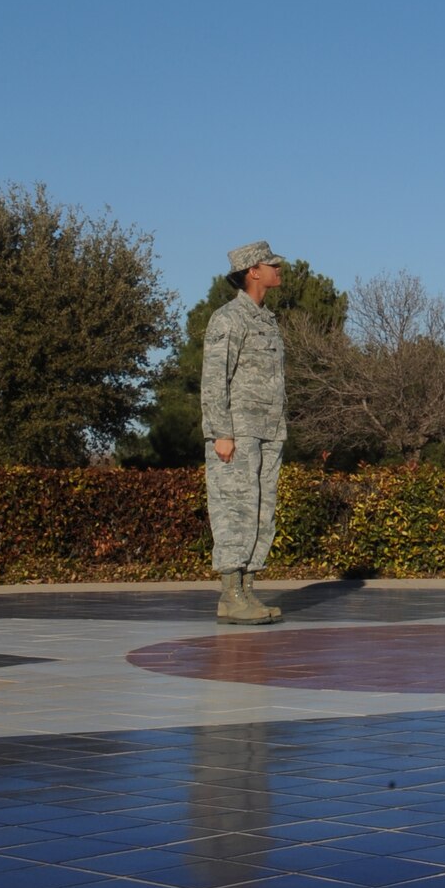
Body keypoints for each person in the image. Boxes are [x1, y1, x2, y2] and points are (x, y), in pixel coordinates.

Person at [202, 242, 289, 626]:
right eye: (271, 264)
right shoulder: (228, 319)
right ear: (253, 271)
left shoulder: (266, 319)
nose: (278, 269)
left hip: (268, 430)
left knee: (260, 510)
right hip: (237, 431)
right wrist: (221, 431)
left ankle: (247, 589)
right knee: (233, 509)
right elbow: (213, 380)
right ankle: (230, 594)